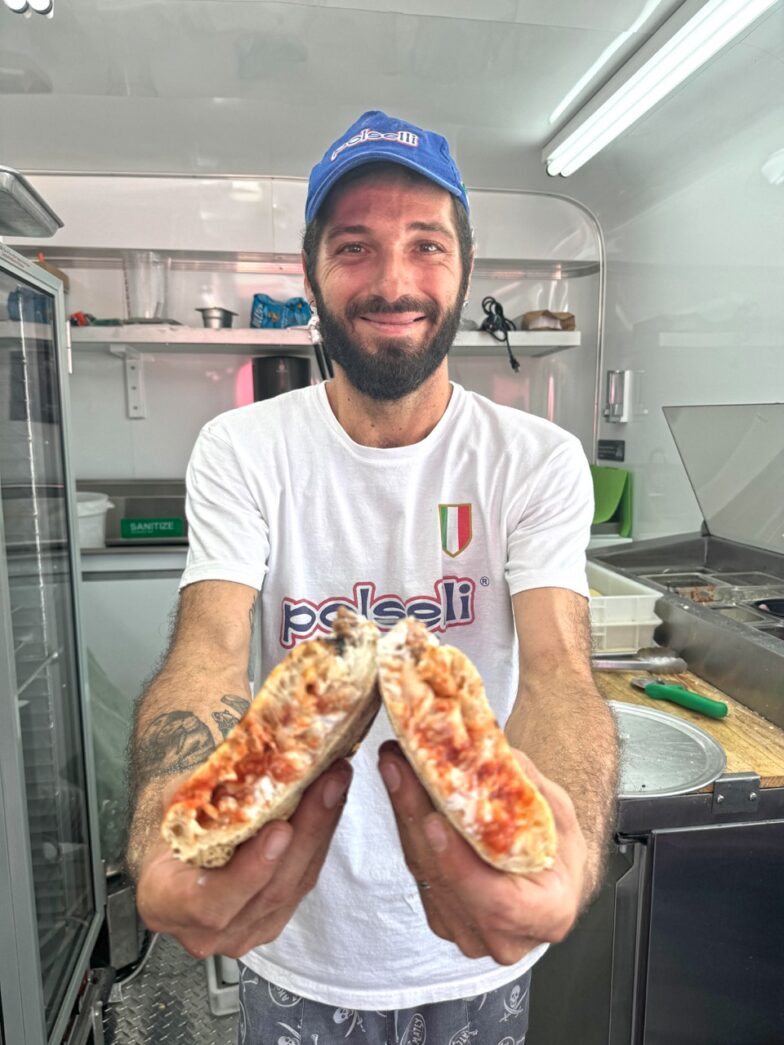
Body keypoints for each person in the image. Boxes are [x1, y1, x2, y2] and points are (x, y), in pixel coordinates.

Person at [127, 110, 619, 1045]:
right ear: (311, 273)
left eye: (425, 245)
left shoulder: (537, 461)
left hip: (477, 936)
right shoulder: (244, 448)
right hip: (302, 930)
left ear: (466, 269)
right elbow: (210, 649)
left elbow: (558, 670)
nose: (394, 281)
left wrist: (564, 847)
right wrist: (170, 815)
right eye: (354, 247)